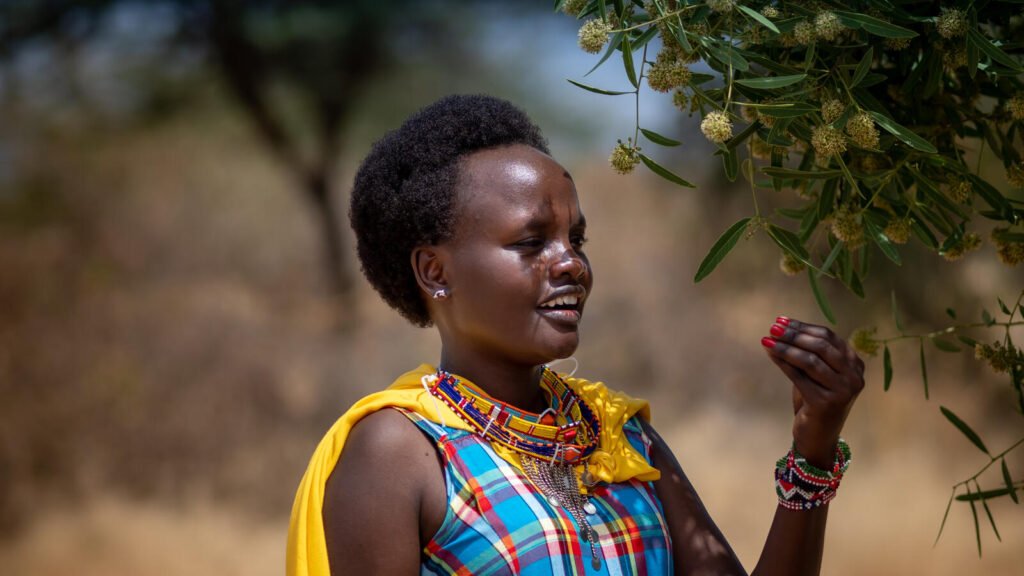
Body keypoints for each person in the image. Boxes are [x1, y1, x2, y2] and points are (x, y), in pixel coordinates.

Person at [286, 94, 864, 576]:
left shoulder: (618, 434)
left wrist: (813, 449)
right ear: (435, 271)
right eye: (531, 243)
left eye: (575, 240)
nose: (571, 265)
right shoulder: (401, 454)